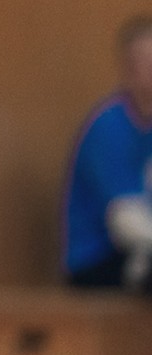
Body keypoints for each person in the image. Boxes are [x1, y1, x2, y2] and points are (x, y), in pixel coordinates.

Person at [63, 15, 152, 292]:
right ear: (127, 68)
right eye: (144, 61)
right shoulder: (108, 127)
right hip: (98, 260)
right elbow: (125, 221)